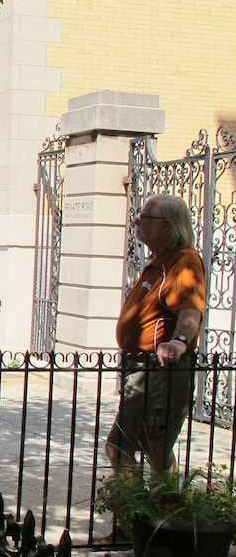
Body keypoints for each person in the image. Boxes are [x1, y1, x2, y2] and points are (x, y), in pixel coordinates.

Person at [106, 194, 205, 473]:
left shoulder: (183, 261)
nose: (137, 221)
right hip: (141, 369)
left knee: (127, 447)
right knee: (154, 448)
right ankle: (156, 509)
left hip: (158, 371)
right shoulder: (160, 260)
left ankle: (145, 511)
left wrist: (180, 340)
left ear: (166, 226)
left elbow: (190, 310)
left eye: (145, 217)